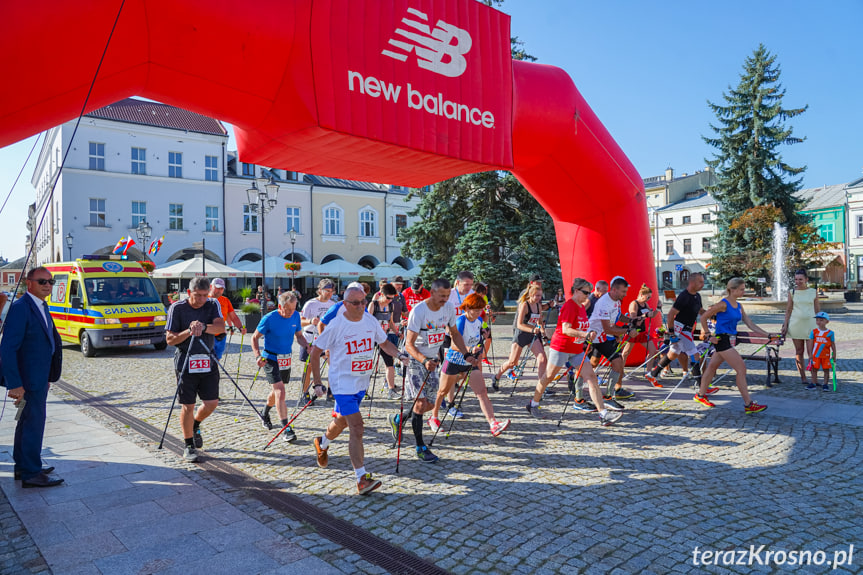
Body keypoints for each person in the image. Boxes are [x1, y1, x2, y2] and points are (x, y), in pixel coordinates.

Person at [311, 286, 409, 494]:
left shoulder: (370, 321)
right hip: (342, 383)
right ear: (345, 304)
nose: (361, 306)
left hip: (360, 383)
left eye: (364, 302)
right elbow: (315, 351)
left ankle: (323, 442)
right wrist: (317, 382)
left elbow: (384, 343)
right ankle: (361, 479)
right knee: (357, 427)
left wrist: (400, 355)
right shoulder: (337, 324)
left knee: (343, 421)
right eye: (356, 303)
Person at [387, 278, 476, 463]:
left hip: (433, 360)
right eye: (442, 296)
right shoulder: (419, 311)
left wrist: (467, 354)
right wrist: (423, 359)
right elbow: (409, 345)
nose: (445, 299)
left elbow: (455, 334)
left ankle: (398, 418)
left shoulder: (449, 308)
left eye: (447, 295)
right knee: (420, 404)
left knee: (429, 404)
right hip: (415, 359)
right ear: (433, 292)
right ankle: (420, 447)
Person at [1, 267, 64, 487]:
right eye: (42, 281)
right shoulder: (21, 308)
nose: (48, 285)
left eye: (50, 281)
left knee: (27, 422)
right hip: (27, 380)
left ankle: (25, 464)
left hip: (38, 377)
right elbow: (7, 349)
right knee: (33, 424)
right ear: (29, 283)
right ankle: (31, 473)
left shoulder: (41, 305)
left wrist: (48, 375)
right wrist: (15, 383)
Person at [530, 278, 622, 426]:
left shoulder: (581, 306)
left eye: (589, 292)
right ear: (577, 291)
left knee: (591, 377)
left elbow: (582, 326)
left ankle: (603, 414)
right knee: (548, 377)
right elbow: (566, 329)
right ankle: (533, 404)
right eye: (585, 292)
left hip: (577, 350)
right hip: (561, 348)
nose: (588, 295)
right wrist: (584, 335)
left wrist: (586, 341)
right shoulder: (570, 306)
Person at [431, 293, 510, 436]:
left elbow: (477, 340)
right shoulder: (460, 321)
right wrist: (469, 350)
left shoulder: (478, 321)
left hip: (470, 362)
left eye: (480, 309)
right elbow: (454, 344)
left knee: (482, 393)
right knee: (442, 392)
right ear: (467, 308)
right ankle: (434, 417)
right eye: (476, 309)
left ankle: (493, 424)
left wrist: (481, 345)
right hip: (454, 361)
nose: (479, 312)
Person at [165, 277, 226, 462]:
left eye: (204, 296)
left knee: (211, 403)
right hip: (186, 360)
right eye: (197, 295)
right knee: (188, 405)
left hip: (208, 359)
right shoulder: (178, 308)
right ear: (189, 292)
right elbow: (170, 340)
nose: (201, 300)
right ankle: (189, 444)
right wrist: (189, 331)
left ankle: (196, 424)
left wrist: (204, 327)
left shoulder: (212, 304)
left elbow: (220, 328)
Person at [694, 277, 775, 413]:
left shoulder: (739, 306)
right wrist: (708, 335)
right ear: (732, 290)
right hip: (722, 340)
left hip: (729, 339)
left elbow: (750, 324)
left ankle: (700, 395)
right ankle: (748, 404)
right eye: (741, 289)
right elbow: (703, 317)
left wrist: (767, 335)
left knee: (712, 367)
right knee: (741, 369)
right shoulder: (723, 304)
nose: (744, 291)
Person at [251, 291, 309, 443]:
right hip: (270, 357)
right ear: (279, 306)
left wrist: (307, 346)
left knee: (277, 391)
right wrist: (258, 355)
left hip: (286, 358)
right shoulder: (269, 319)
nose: (291, 312)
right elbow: (254, 337)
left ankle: (264, 412)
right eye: (288, 309)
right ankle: (286, 428)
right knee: (280, 391)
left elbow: (299, 336)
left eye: (293, 308)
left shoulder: (296, 315)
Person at [648, 273, 706, 382]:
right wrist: (671, 332)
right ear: (692, 282)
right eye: (700, 282)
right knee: (694, 354)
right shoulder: (684, 296)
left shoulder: (697, 296)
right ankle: (701, 386)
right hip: (681, 329)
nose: (703, 284)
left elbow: (701, 311)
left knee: (673, 353)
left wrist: (714, 313)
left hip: (687, 329)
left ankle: (652, 374)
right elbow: (670, 315)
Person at [588, 276, 635, 407]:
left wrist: (632, 321)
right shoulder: (603, 303)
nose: (625, 294)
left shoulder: (616, 301)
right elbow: (608, 329)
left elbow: (618, 316)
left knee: (618, 362)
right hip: (592, 336)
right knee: (586, 365)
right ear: (614, 290)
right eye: (623, 292)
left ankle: (609, 396)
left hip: (602, 338)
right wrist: (626, 331)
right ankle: (578, 396)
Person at [492, 284, 548, 393]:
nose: (539, 298)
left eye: (540, 296)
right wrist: (532, 329)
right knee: (513, 362)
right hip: (521, 335)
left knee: (542, 359)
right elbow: (519, 324)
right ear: (531, 295)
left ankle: (541, 387)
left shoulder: (538, 306)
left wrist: (544, 334)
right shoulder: (524, 305)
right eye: (537, 295)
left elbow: (539, 322)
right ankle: (497, 376)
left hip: (532, 335)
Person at [780, 269, 820, 384]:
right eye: (796, 279)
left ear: (806, 279)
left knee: (811, 352)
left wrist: (820, 324)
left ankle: (814, 378)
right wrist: (785, 324)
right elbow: (788, 310)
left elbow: (817, 309)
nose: (798, 281)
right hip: (796, 324)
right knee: (799, 351)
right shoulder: (792, 292)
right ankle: (803, 377)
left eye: (800, 279)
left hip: (811, 325)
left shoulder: (813, 292)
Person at [299, 279, 336, 397]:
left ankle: (331, 391)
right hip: (310, 337)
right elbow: (299, 321)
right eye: (327, 291)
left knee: (333, 364)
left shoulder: (333, 304)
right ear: (320, 291)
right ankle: (305, 392)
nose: (329, 294)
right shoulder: (311, 304)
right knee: (309, 366)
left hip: (326, 338)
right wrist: (310, 321)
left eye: (331, 291)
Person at [620, 284, 662, 385]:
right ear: (642, 294)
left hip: (642, 331)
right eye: (648, 297)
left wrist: (658, 308)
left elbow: (651, 315)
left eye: (650, 297)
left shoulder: (645, 305)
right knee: (625, 353)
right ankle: (620, 371)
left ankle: (648, 372)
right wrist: (645, 316)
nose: (648, 299)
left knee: (653, 350)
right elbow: (633, 318)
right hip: (634, 331)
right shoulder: (634, 304)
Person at [367, 284, 401, 399]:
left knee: (389, 363)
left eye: (392, 298)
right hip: (371, 338)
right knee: (367, 364)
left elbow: (391, 322)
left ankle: (391, 390)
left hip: (383, 338)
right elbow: (366, 320)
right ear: (381, 295)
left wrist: (397, 332)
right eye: (388, 298)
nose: (390, 300)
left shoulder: (391, 306)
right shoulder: (373, 305)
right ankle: (363, 390)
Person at [209, 278, 246, 361]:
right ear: (211, 286)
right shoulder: (204, 299)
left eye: (221, 288)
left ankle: (214, 372)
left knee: (217, 358)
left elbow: (233, 317)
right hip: (208, 335)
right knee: (209, 359)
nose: (219, 290)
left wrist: (240, 328)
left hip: (221, 334)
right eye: (217, 288)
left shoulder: (225, 300)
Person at [808, 312, 836, 391]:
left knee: (826, 370)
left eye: (821, 320)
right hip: (815, 355)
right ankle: (813, 383)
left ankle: (825, 384)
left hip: (825, 355)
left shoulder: (830, 333)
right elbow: (810, 343)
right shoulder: (814, 332)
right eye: (817, 320)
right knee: (814, 369)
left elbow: (833, 344)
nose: (819, 322)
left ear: (827, 321)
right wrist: (810, 354)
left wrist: (834, 354)